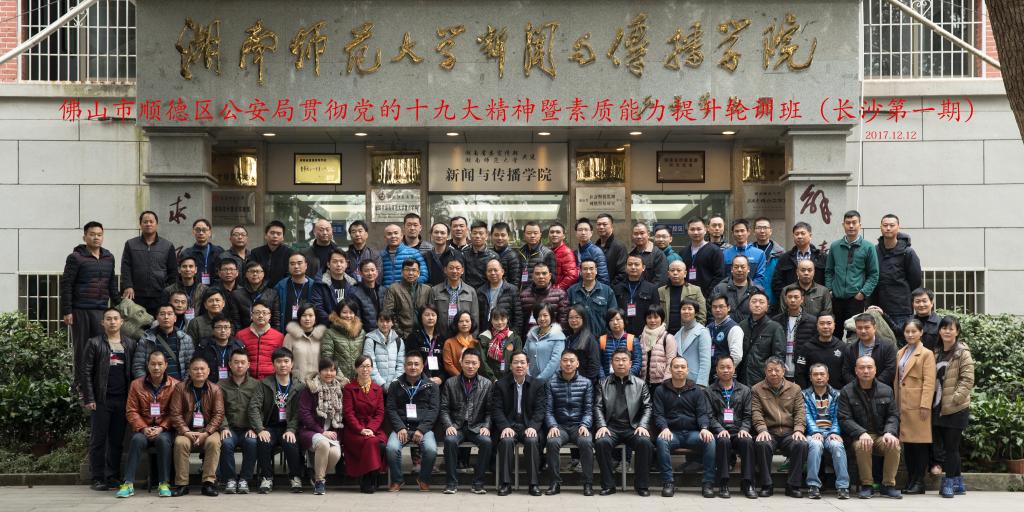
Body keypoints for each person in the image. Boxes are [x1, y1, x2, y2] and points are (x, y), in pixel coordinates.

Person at [80, 308, 136, 491]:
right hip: (101, 399)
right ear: (102, 323)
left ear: (122, 322)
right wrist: (89, 397)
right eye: (109, 319)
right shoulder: (94, 343)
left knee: (116, 441)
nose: (112, 322)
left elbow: (133, 373)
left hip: (123, 399)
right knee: (98, 440)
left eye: (116, 319)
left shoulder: (130, 344)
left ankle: (112, 476)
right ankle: (97, 477)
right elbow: (86, 372)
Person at [838, 355, 903, 499]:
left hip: (880, 434)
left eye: (869, 367)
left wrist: (889, 432)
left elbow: (893, 415)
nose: (866, 371)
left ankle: (888, 485)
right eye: (862, 368)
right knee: (863, 445)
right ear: (856, 370)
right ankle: (867, 485)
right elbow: (844, 418)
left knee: (893, 444)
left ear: (875, 370)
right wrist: (860, 433)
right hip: (857, 437)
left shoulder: (886, 390)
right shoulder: (846, 391)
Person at [63, 221, 118, 390]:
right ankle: (80, 385)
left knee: (101, 347)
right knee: (82, 349)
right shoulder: (76, 257)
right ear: (85, 237)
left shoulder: (109, 258)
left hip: (101, 310)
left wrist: (118, 306)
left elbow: (112, 285)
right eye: (92, 234)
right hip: (81, 310)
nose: (96, 238)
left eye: (99, 235)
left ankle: (99, 384)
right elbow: (66, 285)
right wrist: (67, 310)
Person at [117, 351, 178, 498]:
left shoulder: (175, 385)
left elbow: (176, 412)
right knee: (136, 440)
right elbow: (131, 411)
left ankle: (164, 483)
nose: (156, 367)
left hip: (165, 429)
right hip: (143, 428)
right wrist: (144, 428)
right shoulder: (136, 384)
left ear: (166, 365)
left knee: (163, 440)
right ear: (147, 365)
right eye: (153, 364)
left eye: (160, 364)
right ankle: (128, 483)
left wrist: (161, 428)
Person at [652, 356, 716, 498]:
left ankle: (708, 483)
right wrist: (664, 428)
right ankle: (668, 483)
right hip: (672, 433)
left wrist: (704, 428)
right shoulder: (661, 390)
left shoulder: (697, 390)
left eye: (683, 367)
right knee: (662, 441)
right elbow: (658, 414)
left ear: (687, 370)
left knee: (710, 440)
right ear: (670, 369)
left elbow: (702, 413)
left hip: (693, 433)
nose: (679, 370)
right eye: (676, 367)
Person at [594, 348, 654, 496]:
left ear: (630, 363)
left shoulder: (640, 384)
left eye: (624, 360)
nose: (620, 363)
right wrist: (602, 425)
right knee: (601, 442)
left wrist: (642, 425)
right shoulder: (603, 383)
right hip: (611, 428)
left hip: (633, 428)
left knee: (645, 442)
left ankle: (642, 485)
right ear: (611, 363)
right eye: (617, 360)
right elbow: (597, 407)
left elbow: (647, 407)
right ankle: (608, 485)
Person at [249, 347, 304, 494]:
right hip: (270, 426)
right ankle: (266, 477)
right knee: (263, 441)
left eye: (286, 361)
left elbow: (299, 412)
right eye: (279, 361)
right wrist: (260, 429)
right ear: (273, 364)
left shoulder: (299, 386)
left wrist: (291, 429)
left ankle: (295, 477)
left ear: (292, 364)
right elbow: (254, 407)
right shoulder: (264, 384)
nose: (283, 365)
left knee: (290, 442)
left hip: (290, 427)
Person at [750, 356, 807, 498]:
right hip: (769, 431)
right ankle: (766, 485)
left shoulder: (795, 388)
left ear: (783, 371)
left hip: (789, 432)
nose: (773, 373)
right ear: (765, 371)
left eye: (777, 370)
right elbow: (756, 412)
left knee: (801, 444)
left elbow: (800, 411)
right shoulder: (757, 389)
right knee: (762, 444)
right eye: (770, 370)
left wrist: (799, 430)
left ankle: (793, 485)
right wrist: (762, 429)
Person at [168, 355, 224, 497]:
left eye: (202, 369)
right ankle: (182, 484)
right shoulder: (180, 388)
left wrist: (206, 432)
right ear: (189, 371)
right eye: (195, 369)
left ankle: (208, 483)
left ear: (208, 371)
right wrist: (186, 432)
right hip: (187, 430)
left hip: (208, 431)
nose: (199, 372)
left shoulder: (215, 389)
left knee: (213, 442)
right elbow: (175, 413)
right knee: (180, 443)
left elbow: (218, 415)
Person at [492, 351, 547, 496]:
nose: (519, 365)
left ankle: (533, 484)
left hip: (528, 425)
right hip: (509, 425)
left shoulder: (538, 384)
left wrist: (533, 427)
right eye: (516, 362)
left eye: (522, 362)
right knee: (506, 441)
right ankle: (506, 484)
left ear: (528, 365)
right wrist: (505, 427)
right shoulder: (501, 385)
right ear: (510, 365)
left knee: (532, 440)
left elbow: (540, 410)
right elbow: (496, 409)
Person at [440, 348, 493, 494]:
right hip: (456, 426)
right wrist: (448, 425)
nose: (470, 366)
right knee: (450, 441)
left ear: (479, 364)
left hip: (477, 427)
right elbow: (444, 408)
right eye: (467, 362)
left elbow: (490, 411)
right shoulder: (450, 383)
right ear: (461, 363)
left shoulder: (487, 384)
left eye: (474, 363)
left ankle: (478, 483)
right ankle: (451, 483)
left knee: (486, 442)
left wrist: (487, 426)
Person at [385, 352, 440, 492]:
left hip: (423, 429)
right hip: (402, 428)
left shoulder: (432, 386)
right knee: (391, 448)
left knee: (431, 449)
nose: (413, 367)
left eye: (416, 364)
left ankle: (423, 479)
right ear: (404, 367)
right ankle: (397, 480)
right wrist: (400, 427)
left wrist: (421, 429)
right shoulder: (395, 385)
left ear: (422, 367)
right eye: (409, 364)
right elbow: (391, 409)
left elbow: (434, 410)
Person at [545, 349, 595, 496]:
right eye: (565, 360)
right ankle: (555, 483)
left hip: (578, 426)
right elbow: (548, 410)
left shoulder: (586, 383)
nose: (568, 363)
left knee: (586, 442)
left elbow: (589, 409)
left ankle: (588, 483)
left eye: (572, 361)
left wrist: (585, 424)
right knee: (552, 442)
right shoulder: (551, 383)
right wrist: (552, 425)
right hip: (560, 426)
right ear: (560, 363)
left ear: (577, 363)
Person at [933, 315, 974, 498]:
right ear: (939, 330)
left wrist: (955, 399)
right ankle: (959, 483)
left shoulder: (962, 352)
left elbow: (967, 379)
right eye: (944, 328)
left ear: (957, 331)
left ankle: (949, 482)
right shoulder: (936, 352)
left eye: (951, 328)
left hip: (956, 408)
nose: (947, 331)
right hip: (938, 406)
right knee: (949, 448)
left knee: (951, 447)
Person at [896, 319, 937, 495]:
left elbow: (929, 382)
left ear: (921, 333)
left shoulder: (926, 354)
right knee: (908, 445)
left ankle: (919, 482)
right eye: (907, 331)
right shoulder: (901, 352)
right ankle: (911, 480)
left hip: (918, 404)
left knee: (920, 444)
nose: (910, 334)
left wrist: (925, 404)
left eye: (914, 331)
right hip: (903, 403)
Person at [706, 356, 756, 499]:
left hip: (738, 430)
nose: (726, 370)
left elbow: (748, 415)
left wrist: (744, 429)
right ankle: (723, 483)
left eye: (729, 367)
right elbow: (709, 416)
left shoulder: (745, 390)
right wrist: (720, 430)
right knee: (723, 441)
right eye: (722, 367)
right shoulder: (709, 391)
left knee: (747, 441)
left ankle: (748, 483)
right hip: (720, 431)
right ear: (716, 370)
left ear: (734, 369)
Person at [801, 363, 850, 499]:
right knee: (815, 445)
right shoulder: (804, 395)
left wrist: (834, 432)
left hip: (831, 432)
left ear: (828, 376)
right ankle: (813, 486)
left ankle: (843, 486)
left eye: (822, 374)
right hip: (812, 432)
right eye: (815, 374)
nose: (819, 377)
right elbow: (806, 415)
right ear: (810, 377)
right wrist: (814, 431)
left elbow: (839, 416)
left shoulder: (838, 394)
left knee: (837, 445)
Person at [297, 358, 345, 495]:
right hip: (310, 431)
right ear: (319, 371)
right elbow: (304, 413)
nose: (329, 373)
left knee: (335, 454)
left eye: (332, 370)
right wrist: (321, 431)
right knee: (323, 444)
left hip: (331, 432)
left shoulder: (339, 389)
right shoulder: (311, 388)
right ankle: (320, 482)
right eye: (326, 370)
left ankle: (315, 474)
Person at [826, 210, 880, 327]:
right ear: (843, 225)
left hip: (856, 299)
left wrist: (862, 293)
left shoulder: (868, 247)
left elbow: (874, 274)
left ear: (860, 225)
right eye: (848, 223)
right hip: (836, 298)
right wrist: (830, 290)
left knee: (855, 331)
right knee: (835, 331)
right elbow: (829, 271)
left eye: (854, 222)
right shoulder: (835, 246)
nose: (851, 226)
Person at [342, 355, 387, 494]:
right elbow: (348, 413)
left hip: (374, 428)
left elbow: (380, 413)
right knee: (372, 442)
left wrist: (371, 429)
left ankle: (371, 476)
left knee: (381, 444)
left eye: (368, 366)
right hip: (354, 430)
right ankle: (370, 478)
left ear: (372, 368)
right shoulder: (349, 388)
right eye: (362, 366)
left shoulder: (377, 389)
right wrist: (361, 430)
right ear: (356, 369)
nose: (365, 369)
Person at [217, 348, 260, 495]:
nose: (239, 365)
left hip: (249, 428)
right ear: (230, 364)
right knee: (226, 443)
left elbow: (260, 409)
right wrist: (224, 427)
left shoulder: (256, 385)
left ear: (248, 364)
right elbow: (219, 410)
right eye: (236, 362)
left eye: (243, 362)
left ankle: (244, 480)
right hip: (230, 428)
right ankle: (230, 479)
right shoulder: (221, 385)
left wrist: (255, 428)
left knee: (252, 443)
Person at [872, 214, 923, 335]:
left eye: (892, 225)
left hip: (901, 308)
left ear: (898, 227)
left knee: (902, 340)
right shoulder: (874, 251)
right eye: (885, 225)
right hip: (879, 307)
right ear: (880, 227)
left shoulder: (908, 252)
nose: (888, 228)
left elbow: (916, 281)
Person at [121, 211, 178, 316]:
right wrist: (128, 286)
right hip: (136, 294)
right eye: (145, 222)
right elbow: (126, 267)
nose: (148, 224)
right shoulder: (130, 244)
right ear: (140, 224)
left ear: (157, 224)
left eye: (151, 221)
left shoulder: (167, 245)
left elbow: (173, 271)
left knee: (158, 323)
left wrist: (168, 290)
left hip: (160, 295)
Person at [134, 304, 195, 381]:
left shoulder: (185, 339)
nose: (166, 317)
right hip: (153, 385)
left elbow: (191, 365)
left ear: (175, 318)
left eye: (169, 314)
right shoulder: (147, 339)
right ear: (157, 318)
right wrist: (146, 384)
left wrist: (184, 385)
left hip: (178, 385)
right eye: (162, 314)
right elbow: (138, 366)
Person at [771, 222, 826, 306]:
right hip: (791, 303)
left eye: (803, 233)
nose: (799, 236)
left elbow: (827, 278)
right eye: (796, 234)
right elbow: (777, 282)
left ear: (810, 236)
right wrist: (786, 298)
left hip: (816, 302)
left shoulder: (821, 257)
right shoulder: (784, 258)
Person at [737, 292, 785, 386]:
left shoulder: (775, 327)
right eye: (754, 301)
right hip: (742, 376)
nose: (757, 304)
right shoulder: (741, 325)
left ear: (767, 307)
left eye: (761, 302)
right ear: (749, 305)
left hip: (763, 377)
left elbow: (779, 355)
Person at [772, 287, 818, 379]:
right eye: (790, 297)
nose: (793, 300)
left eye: (796, 297)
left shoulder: (812, 321)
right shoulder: (776, 320)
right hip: (780, 367)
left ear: (802, 299)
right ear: (785, 299)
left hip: (802, 367)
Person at [274, 253, 330, 327]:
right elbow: (275, 313)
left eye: (299, 263)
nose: (296, 266)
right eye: (292, 264)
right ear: (288, 267)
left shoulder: (315, 286)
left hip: (309, 331)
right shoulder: (280, 286)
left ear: (306, 265)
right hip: (286, 330)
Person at [794, 312, 846, 390]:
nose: (825, 326)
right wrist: (806, 393)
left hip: (838, 393)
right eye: (822, 323)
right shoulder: (807, 348)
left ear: (834, 325)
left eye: (829, 323)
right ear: (817, 326)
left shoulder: (842, 347)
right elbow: (799, 373)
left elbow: (846, 372)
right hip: (812, 394)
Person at [842, 313, 897, 386]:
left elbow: (890, 369)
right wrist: (858, 386)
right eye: (859, 328)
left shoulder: (888, 345)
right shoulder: (850, 348)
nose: (863, 331)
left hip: (882, 388)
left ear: (874, 328)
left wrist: (873, 386)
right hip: (856, 389)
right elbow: (846, 371)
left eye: (867, 327)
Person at [567, 258, 618, 337]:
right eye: (585, 269)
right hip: (578, 338)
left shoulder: (607, 291)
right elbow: (567, 315)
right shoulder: (571, 291)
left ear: (596, 271)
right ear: (580, 272)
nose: (588, 272)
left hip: (602, 338)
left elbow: (613, 315)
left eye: (591, 269)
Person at [383, 258, 431, 339]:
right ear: (402, 272)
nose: (410, 273)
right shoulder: (394, 289)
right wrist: (400, 333)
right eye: (407, 270)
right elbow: (388, 313)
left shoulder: (427, 290)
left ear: (418, 273)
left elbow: (431, 312)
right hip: (401, 335)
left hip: (423, 334)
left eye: (414, 270)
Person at [236, 302, 285, 381]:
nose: (261, 316)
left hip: (271, 380)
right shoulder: (240, 335)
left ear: (270, 316)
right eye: (257, 312)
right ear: (251, 315)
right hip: (247, 379)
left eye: (264, 313)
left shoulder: (279, 337)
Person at [613, 254, 661, 336]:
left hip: (644, 333)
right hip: (622, 333)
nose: (633, 267)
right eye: (630, 264)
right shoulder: (617, 288)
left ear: (643, 268)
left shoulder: (651, 288)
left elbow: (656, 312)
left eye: (636, 264)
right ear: (626, 267)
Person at [430, 257, 479, 336]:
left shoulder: (471, 291)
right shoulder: (435, 290)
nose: (454, 271)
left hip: (464, 336)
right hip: (441, 335)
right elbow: (431, 314)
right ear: (445, 270)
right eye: (451, 268)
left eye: (458, 268)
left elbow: (475, 317)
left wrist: (472, 337)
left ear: (462, 270)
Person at [321, 298, 367, 381]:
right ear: (339, 313)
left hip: (358, 380)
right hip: (338, 380)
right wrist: (341, 378)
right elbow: (327, 358)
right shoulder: (330, 333)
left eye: (351, 312)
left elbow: (365, 357)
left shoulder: (361, 333)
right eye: (344, 312)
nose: (348, 316)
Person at [518, 262, 569, 336]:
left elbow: (563, 321)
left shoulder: (560, 295)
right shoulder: (524, 295)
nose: (541, 276)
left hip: (552, 337)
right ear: (532, 276)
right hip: (530, 337)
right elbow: (521, 321)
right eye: (537, 274)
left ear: (550, 276)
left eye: (544, 273)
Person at [284, 303, 328, 385]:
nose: (307, 318)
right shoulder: (290, 336)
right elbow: (285, 361)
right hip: (297, 382)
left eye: (311, 315)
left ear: (315, 318)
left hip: (318, 383)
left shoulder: (323, 336)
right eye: (304, 315)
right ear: (299, 317)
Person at [681, 218, 726, 298]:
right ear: (688, 231)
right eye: (692, 229)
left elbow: (719, 276)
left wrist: (707, 295)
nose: (696, 232)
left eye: (699, 229)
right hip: (686, 296)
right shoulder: (683, 251)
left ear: (705, 230)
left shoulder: (715, 251)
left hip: (707, 296)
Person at [194, 314, 245, 384]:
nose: (223, 330)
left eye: (226, 327)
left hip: (232, 385)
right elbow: (196, 365)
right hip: (209, 385)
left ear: (230, 329)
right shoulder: (203, 346)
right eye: (219, 327)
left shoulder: (238, 346)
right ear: (213, 330)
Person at [442, 310, 493, 379]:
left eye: (467, 321)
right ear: (456, 324)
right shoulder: (449, 343)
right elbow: (448, 365)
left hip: (475, 381)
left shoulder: (476, 343)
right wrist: (462, 378)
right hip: (455, 380)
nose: (464, 324)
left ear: (472, 323)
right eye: (461, 321)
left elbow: (481, 363)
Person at [711, 255, 763, 321]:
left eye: (743, 267)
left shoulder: (757, 290)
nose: (739, 270)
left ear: (748, 269)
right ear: (731, 269)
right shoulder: (720, 289)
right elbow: (711, 313)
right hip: (725, 326)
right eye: (736, 267)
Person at [658, 259, 706, 331]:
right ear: (668, 274)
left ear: (685, 273)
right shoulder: (661, 291)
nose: (675, 273)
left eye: (679, 270)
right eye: (672, 270)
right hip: (665, 332)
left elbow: (702, 314)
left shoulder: (695, 290)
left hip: (688, 331)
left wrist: (696, 331)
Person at [523, 303, 566, 381]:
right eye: (539, 316)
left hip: (550, 381)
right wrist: (528, 375)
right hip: (529, 379)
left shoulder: (558, 336)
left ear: (551, 316)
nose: (542, 318)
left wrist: (540, 379)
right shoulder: (531, 334)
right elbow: (524, 355)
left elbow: (555, 361)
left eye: (545, 315)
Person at [478, 258, 522, 334]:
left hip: (506, 334)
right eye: (489, 270)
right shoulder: (481, 291)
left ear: (502, 272)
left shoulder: (512, 290)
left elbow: (518, 317)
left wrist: (513, 336)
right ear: (486, 273)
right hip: (486, 333)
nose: (492, 273)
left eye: (495, 270)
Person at [234, 261, 281, 331]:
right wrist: (239, 335)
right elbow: (236, 320)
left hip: (267, 332)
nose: (255, 274)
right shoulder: (237, 294)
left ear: (263, 274)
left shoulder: (272, 294)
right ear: (246, 274)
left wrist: (274, 334)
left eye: (258, 271)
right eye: (252, 271)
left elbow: (276, 319)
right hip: (245, 333)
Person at [675, 299, 712, 387]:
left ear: (696, 313)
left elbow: (705, 361)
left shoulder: (702, 332)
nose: (686, 311)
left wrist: (701, 384)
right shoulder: (678, 333)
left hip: (696, 382)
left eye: (690, 309)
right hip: (679, 381)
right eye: (683, 309)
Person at [363, 312, 405, 388]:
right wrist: (382, 385)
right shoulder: (370, 340)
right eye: (381, 321)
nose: (384, 324)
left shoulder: (398, 341)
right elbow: (369, 364)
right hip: (375, 386)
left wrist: (394, 385)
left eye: (388, 321)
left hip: (395, 387)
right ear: (377, 322)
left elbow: (401, 365)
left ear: (392, 323)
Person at [639, 305, 676, 389]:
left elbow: (671, 362)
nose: (652, 320)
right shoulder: (641, 337)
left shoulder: (668, 338)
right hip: (643, 382)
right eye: (649, 317)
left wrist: (666, 383)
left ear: (661, 318)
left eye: (656, 317)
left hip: (661, 383)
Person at [381, 223, 429, 288]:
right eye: (389, 234)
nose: (393, 236)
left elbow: (424, 275)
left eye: (396, 233)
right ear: (385, 238)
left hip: (408, 292)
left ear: (401, 236)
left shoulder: (414, 253)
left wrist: (409, 287)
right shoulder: (381, 255)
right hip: (387, 292)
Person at [479, 308, 522, 380]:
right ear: (491, 320)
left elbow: (518, 359)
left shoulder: (514, 338)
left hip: (509, 379)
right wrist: (493, 379)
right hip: (488, 380)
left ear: (507, 319)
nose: (499, 322)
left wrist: (509, 379)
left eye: (502, 319)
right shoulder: (484, 337)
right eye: (496, 319)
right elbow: (482, 361)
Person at [722, 219, 766, 289]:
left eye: (742, 231)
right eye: (737, 231)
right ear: (732, 233)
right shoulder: (725, 254)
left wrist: (749, 290)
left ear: (748, 232)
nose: (739, 234)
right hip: (730, 291)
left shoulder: (759, 254)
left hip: (752, 292)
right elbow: (723, 276)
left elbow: (760, 277)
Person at [248, 220, 295, 287]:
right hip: (259, 290)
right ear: (265, 235)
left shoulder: (289, 253)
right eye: (272, 233)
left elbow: (290, 275)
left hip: (281, 289)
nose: (275, 236)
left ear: (283, 238)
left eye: (278, 234)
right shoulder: (256, 252)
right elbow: (251, 272)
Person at [179, 219, 224, 286]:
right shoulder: (186, 253)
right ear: (193, 232)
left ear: (209, 232)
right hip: (194, 289)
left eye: (204, 230)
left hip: (216, 289)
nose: (201, 233)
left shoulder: (218, 251)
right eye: (198, 230)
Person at [751, 218, 785, 305]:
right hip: (752, 300)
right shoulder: (748, 252)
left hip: (774, 300)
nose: (762, 231)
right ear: (754, 231)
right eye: (759, 228)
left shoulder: (780, 253)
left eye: (765, 228)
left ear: (770, 231)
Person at [599, 308, 642, 378]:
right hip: (607, 380)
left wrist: (625, 378)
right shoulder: (602, 340)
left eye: (618, 319)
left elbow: (637, 363)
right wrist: (604, 380)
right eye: (611, 320)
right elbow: (598, 364)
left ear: (624, 321)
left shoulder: (633, 340)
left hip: (628, 380)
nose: (615, 323)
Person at [564, 304, 601, 383]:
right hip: (569, 382)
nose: (573, 320)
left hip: (584, 383)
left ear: (583, 319)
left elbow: (594, 365)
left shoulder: (589, 339)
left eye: (577, 317)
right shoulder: (568, 338)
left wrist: (586, 383)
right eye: (571, 317)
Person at [707, 295, 744, 374]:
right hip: (710, 372)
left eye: (721, 306)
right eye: (714, 307)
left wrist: (724, 371)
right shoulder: (708, 327)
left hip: (725, 374)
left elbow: (736, 356)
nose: (717, 310)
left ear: (728, 308)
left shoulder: (734, 328)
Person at [412, 305, 447, 383]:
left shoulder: (442, 338)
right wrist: (422, 379)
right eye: (427, 315)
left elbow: (446, 363)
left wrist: (441, 378)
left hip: (438, 381)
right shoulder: (414, 337)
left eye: (433, 315)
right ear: (421, 317)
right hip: (418, 380)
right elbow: (411, 362)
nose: (430, 318)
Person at [423, 222, 464, 286]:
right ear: (431, 235)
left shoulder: (456, 255)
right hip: (431, 291)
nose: (439, 235)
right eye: (436, 232)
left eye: (442, 233)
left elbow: (462, 278)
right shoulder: (426, 256)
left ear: (448, 236)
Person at [518, 221, 557, 289]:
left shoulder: (548, 253)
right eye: (529, 233)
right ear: (524, 235)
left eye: (535, 233)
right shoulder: (520, 252)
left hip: (538, 293)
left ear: (540, 234)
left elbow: (552, 278)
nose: (532, 236)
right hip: (522, 292)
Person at [629, 222, 668, 287]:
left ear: (648, 235)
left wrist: (647, 291)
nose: (639, 236)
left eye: (642, 233)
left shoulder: (658, 254)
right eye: (636, 234)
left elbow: (661, 281)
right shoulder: (631, 254)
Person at [463, 220, 499, 290]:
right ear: (470, 235)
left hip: (486, 293)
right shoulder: (463, 254)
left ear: (486, 236)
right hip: (467, 293)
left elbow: (496, 279)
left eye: (481, 233)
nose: (477, 236)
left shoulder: (493, 256)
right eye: (475, 233)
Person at [595, 213, 628, 285]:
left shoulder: (619, 247)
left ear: (612, 227)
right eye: (599, 224)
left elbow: (622, 273)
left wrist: (608, 288)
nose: (601, 227)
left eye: (604, 224)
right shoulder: (595, 247)